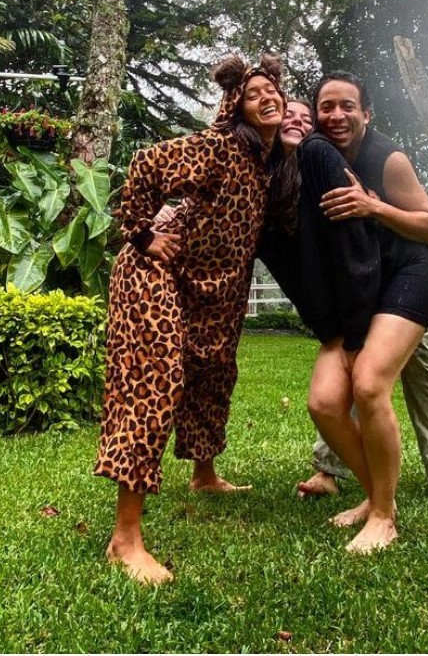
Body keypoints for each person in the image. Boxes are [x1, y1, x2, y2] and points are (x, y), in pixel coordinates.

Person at [96, 54, 297, 585]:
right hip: (155, 272)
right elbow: (144, 164)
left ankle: (204, 475)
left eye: (273, 89)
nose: (266, 97)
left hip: (216, 288)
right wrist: (144, 235)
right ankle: (125, 538)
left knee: (213, 372)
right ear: (236, 105)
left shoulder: (270, 164)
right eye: (254, 93)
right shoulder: (219, 146)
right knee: (155, 382)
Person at [275, 96, 428, 520]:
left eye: (348, 106)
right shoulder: (315, 162)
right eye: (324, 108)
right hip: (361, 287)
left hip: (408, 279)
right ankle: (331, 469)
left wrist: (374, 207)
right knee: (351, 374)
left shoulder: (387, 158)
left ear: (367, 113)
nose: (335, 116)